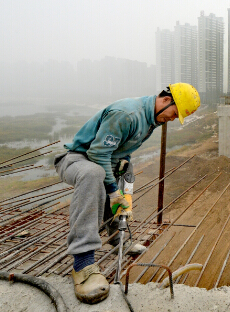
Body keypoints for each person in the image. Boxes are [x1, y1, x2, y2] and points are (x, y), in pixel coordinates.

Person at [54, 83, 200, 304]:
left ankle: (118, 236)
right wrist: (113, 191)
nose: (172, 119)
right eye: (174, 113)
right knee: (94, 174)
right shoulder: (127, 114)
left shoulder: (151, 120)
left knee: (126, 171)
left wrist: (124, 189)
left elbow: (123, 151)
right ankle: (83, 262)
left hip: (103, 162)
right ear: (166, 100)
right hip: (78, 160)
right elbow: (96, 154)